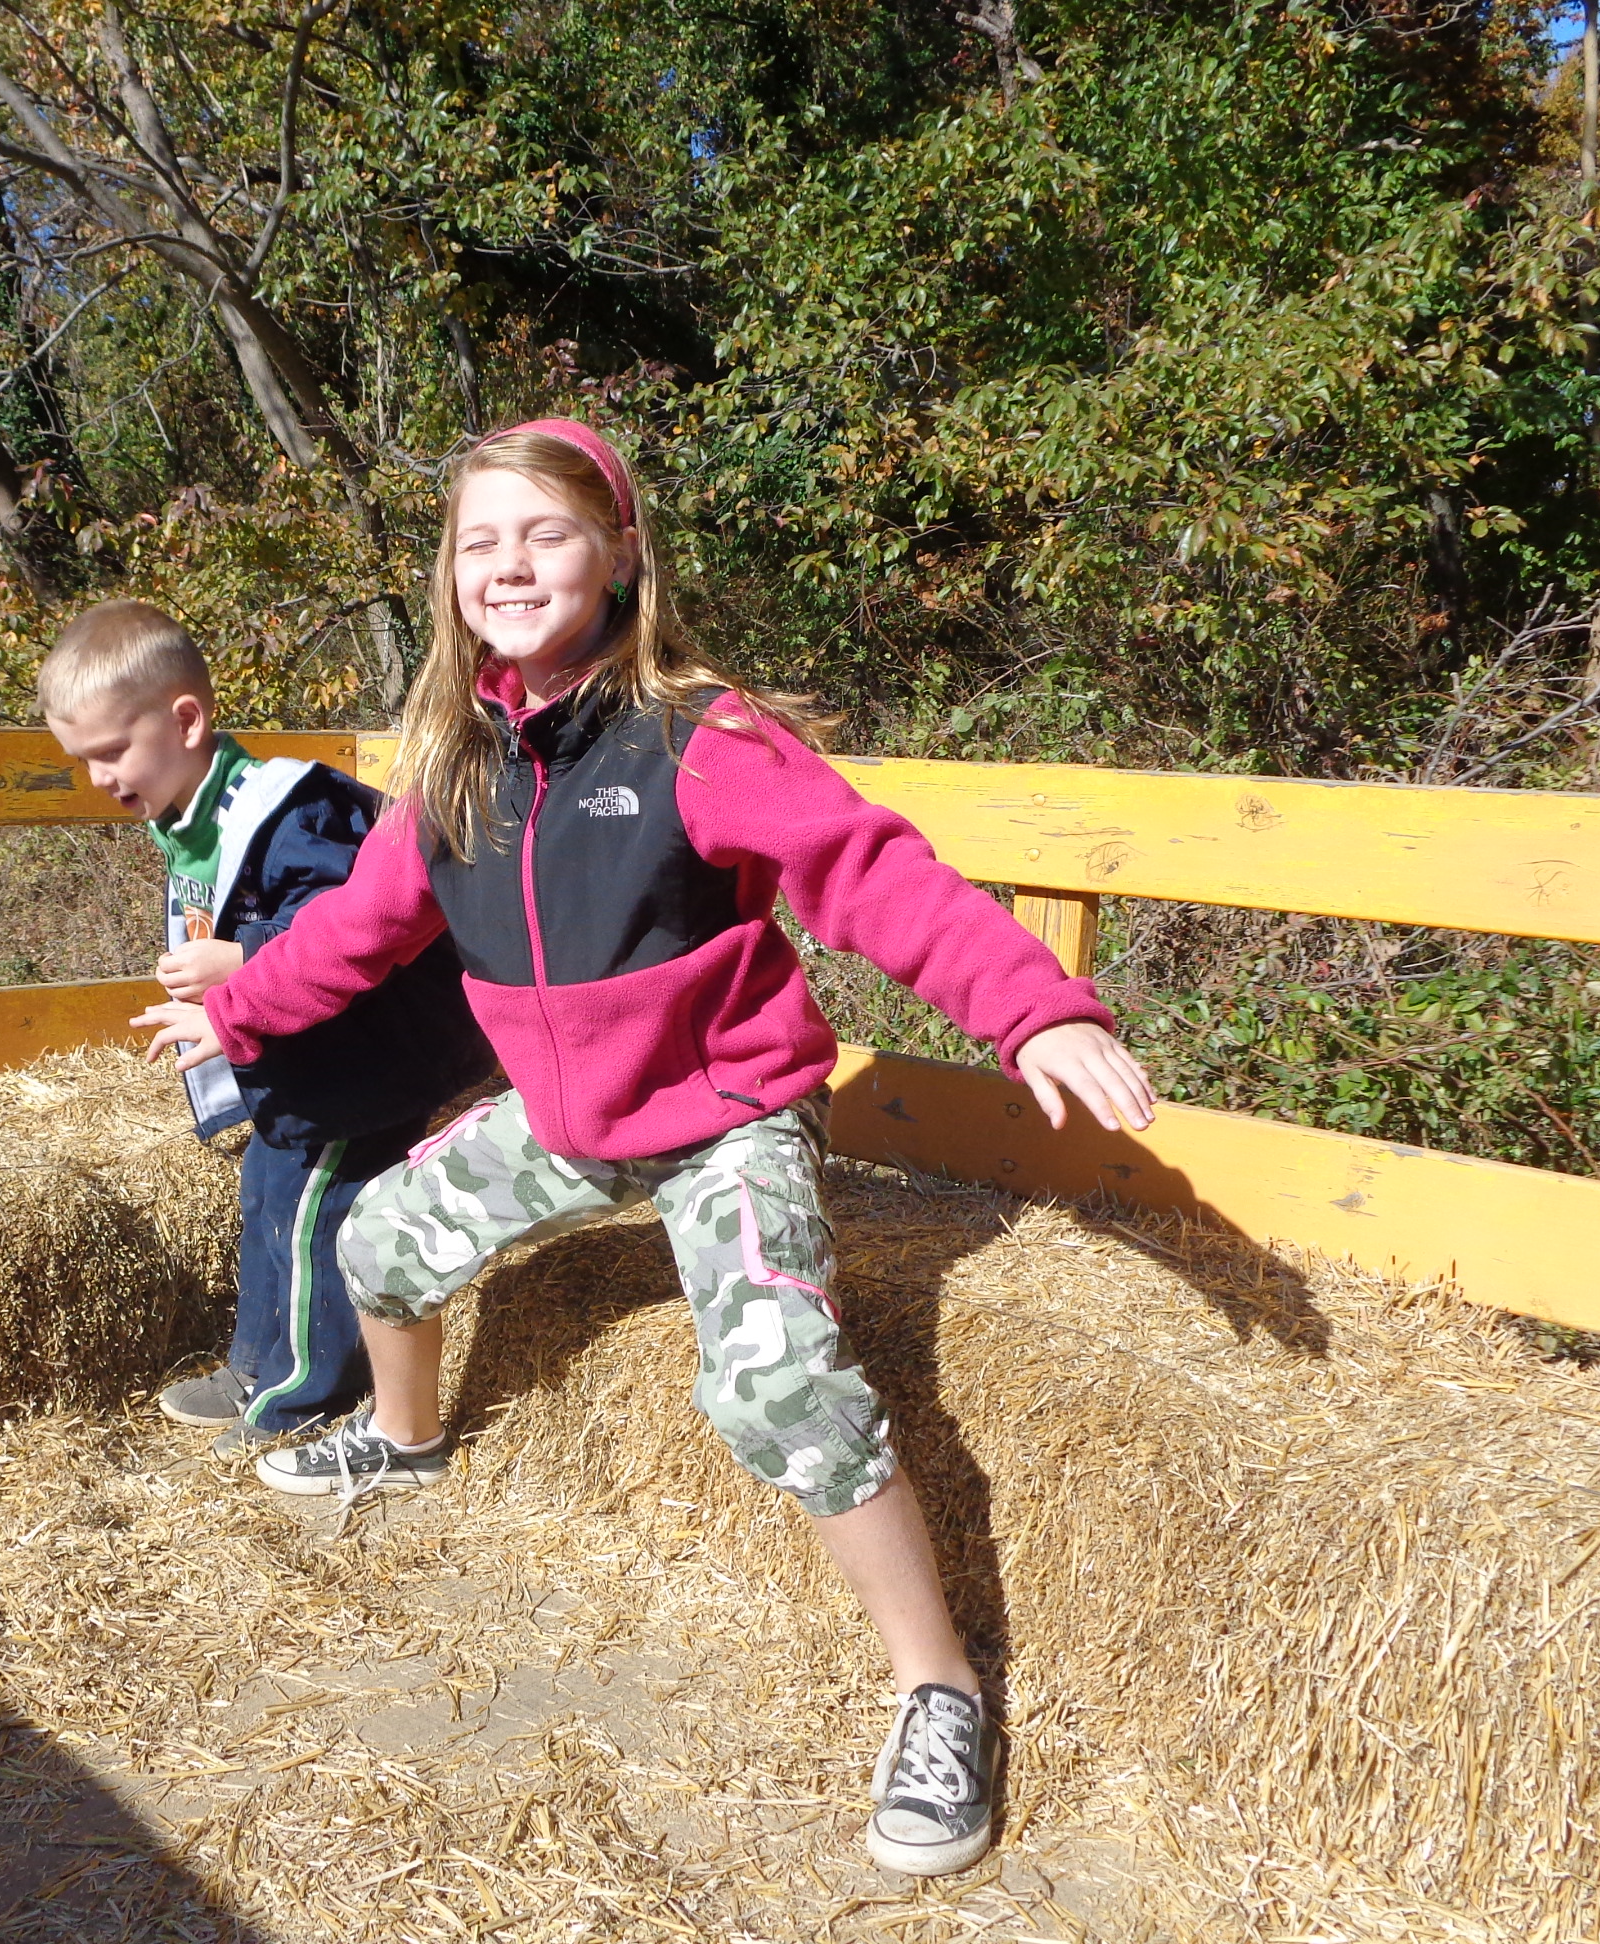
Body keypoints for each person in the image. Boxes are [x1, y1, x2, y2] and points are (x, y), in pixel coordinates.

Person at [135, 423, 1159, 1879]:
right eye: (479, 543)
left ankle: (940, 1691)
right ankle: (409, 1443)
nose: (509, 566)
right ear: (448, 576)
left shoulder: (702, 737)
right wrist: (237, 1008)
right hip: (571, 1120)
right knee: (379, 1238)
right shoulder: (456, 768)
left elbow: (873, 875)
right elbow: (357, 933)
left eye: (545, 534)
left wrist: (1032, 1009)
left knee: (779, 1388)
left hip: (729, 1116)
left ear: (618, 554)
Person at [41, 600, 493, 1452]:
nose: (99, 776)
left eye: (111, 750)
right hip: (300, 1060)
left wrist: (243, 954)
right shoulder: (196, 812)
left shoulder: (290, 810)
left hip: (362, 1066)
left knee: (316, 1223)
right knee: (268, 1200)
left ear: (185, 721)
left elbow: (356, 917)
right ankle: (256, 1366)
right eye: (83, 759)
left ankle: (303, 1398)